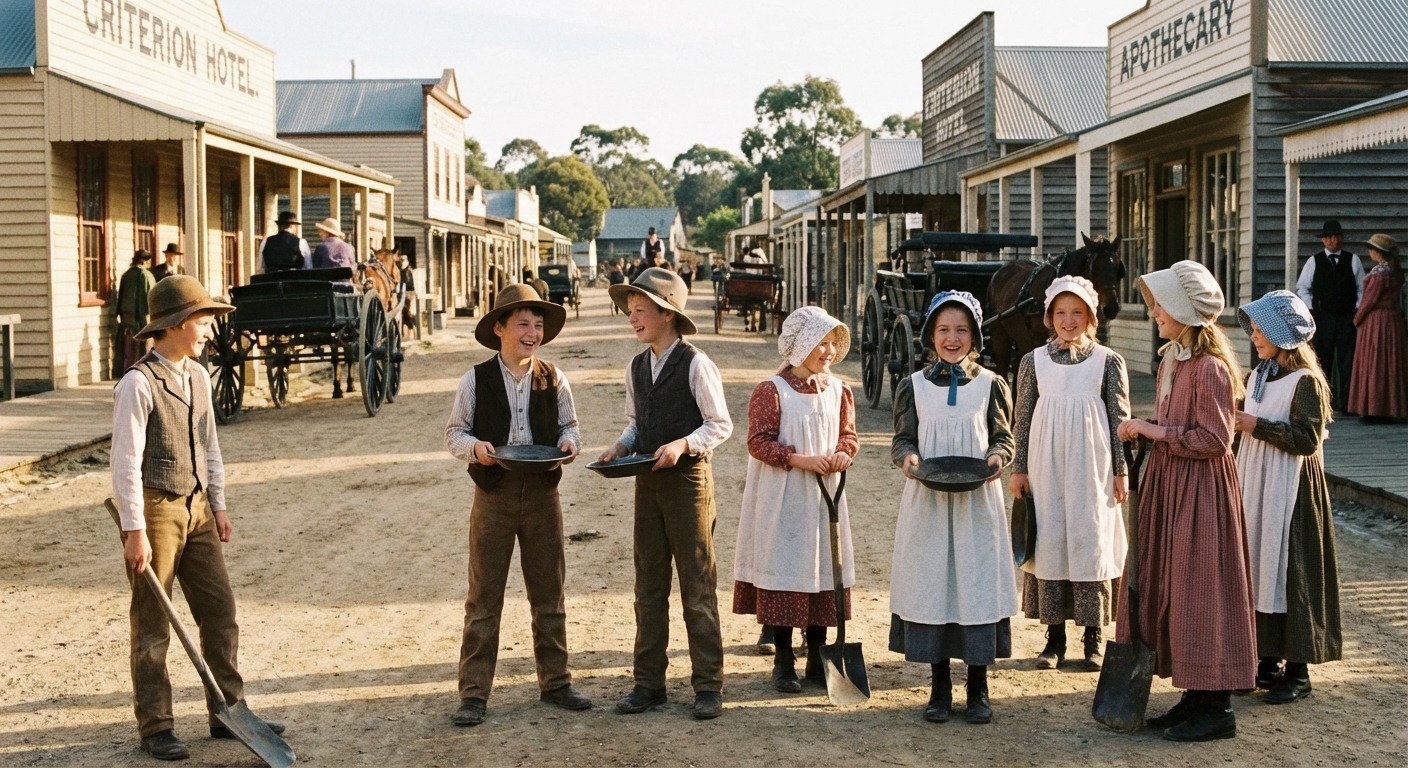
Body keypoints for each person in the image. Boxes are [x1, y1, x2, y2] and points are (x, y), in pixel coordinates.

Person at [110, 276, 284, 761]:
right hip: (156, 512)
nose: (209, 332)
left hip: (198, 508)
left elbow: (209, 445)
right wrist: (135, 530)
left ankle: (228, 710)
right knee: (153, 625)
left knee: (220, 613)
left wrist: (220, 505)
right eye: (203, 323)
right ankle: (157, 726)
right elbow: (124, 462)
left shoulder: (199, 377)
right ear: (175, 325)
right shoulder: (137, 384)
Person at [1115, 260, 1254, 742]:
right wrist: (1145, 431)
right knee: (1174, 582)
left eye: (1161, 304)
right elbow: (1178, 424)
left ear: (1184, 310)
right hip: (1172, 485)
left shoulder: (1211, 368)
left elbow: (1214, 440)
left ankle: (1217, 707)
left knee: (1201, 588)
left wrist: (1153, 429)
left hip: (1201, 494)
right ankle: (1194, 696)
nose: (1154, 311)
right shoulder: (1173, 359)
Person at [444, 284, 592, 726]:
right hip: (494, 494)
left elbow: (572, 428)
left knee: (549, 593)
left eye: (539, 325)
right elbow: (454, 435)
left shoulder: (554, 376)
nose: (532, 333)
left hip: (544, 494)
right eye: (523, 324)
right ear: (500, 328)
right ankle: (473, 694)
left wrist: (568, 443)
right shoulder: (475, 378)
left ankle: (556, 683)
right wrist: (479, 449)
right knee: (484, 598)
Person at [598, 267, 733, 720]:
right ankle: (648, 683)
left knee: (697, 583)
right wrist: (621, 445)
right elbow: (637, 423)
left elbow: (720, 424)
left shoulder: (697, 363)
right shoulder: (636, 365)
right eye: (631, 312)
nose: (632, 320)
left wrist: (683, 445)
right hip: (647, 482)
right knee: (648, 585)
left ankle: (708, 686)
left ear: (667, 315)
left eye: (640, 311)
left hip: (688, 484)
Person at [890, 291, 1016, 725]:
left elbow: (1003, 437)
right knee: (935, 585)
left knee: (974, 585)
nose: (952, 337)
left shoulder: (991, 384)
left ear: (975, 336)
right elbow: (904, 439)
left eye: (962, 329)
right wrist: (907, 458)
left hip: (976, 503)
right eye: (943, 329)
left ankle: (978, 687)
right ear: (930, 334)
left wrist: (999, 456)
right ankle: (939, 686)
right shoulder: (915, 385)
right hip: (928, 501)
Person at [732, 307, 858, 694]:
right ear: (800, 345)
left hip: (825, 497)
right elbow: (758, 443)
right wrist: (800, 460)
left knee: (824, 567)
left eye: (832, 344)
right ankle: (784, 659)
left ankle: (819, 655)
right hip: (784, 496)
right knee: (786, 567)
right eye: (821, 343)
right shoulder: (772, 390)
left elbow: (848, 436)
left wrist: (841, 454)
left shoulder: (838, 390)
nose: (829, 352)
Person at [1008, 276, 1131, 672]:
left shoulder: (1107, 361)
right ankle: (1054, 637)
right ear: (1049, 318)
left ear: (1091, 316)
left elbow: (1119, 419)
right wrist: (1019, 468)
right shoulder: (1034, 362)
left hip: (1092, 465)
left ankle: (1093, 637)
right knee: (1052, 540)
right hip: (1047, 464)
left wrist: (1120, 469)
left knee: (1089, 538)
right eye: (1060, 312)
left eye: (1077, 312)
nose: (1069, 320)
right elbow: (1022, 419)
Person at [1232, 290, 1342, 706]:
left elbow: (1306, 438)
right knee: (1259, 563)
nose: (1255, 335)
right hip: (1258, 478)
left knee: (1291, 565)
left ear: (1282, 332)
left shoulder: (1305, 381)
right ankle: (1267, 657)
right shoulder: (1259, 374)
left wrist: (1255, 425)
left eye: (1261, 329)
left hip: (1291, 484)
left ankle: (1299, 669)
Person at [1295, 220, 1364, 412]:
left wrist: (1357, 309)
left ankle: (1348, 404)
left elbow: (1362, 288)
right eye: (1327, 237)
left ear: (1340, 238)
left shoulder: (1353, 260)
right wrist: (1312, 309)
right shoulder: (1314, 261)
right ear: (1323, 241)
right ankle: (1324, 404)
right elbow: (1302, 288)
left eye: (1334, 237)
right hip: (1322, 318)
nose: (1330, 241)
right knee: (1322, 360)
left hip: (1346, 318)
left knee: (1347, 361)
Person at [1347, 234, 1408, 421]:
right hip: (1393, 320)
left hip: (1377, 322)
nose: (1370, 252)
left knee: (1376, 362)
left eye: (1372, 249)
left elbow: (1369, 301)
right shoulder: (1394, 271)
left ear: (1379, 253)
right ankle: (1389, 408)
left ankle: (1376, 409)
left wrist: (1357, 319)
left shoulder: (1380, 273)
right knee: (1389, 362)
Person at [114, 250, 157, 373]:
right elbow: (150, 300)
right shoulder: (146, 275)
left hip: (127, 321)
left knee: (129, 350)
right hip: (143, 320)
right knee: (143, 349)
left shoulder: (126, 275)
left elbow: (120, 297)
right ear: (144, 261)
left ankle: (128, 372)